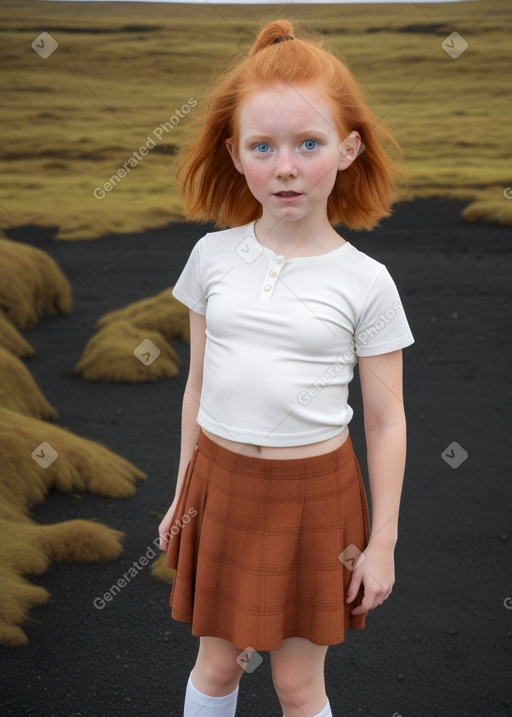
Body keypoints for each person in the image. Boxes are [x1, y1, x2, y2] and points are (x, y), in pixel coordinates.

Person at [158, 19, 415, 717]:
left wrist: (383, 542)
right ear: (235, 153)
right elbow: (198, 387)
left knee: (298, 686)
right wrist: (183, 495)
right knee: (214, 665)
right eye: (263, 146)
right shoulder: (211, 257)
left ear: (348, 148)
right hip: (219, 485)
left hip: (315, 499)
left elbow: (387, 421)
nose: (286, 167)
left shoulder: (367, 281)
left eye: (308, 144)